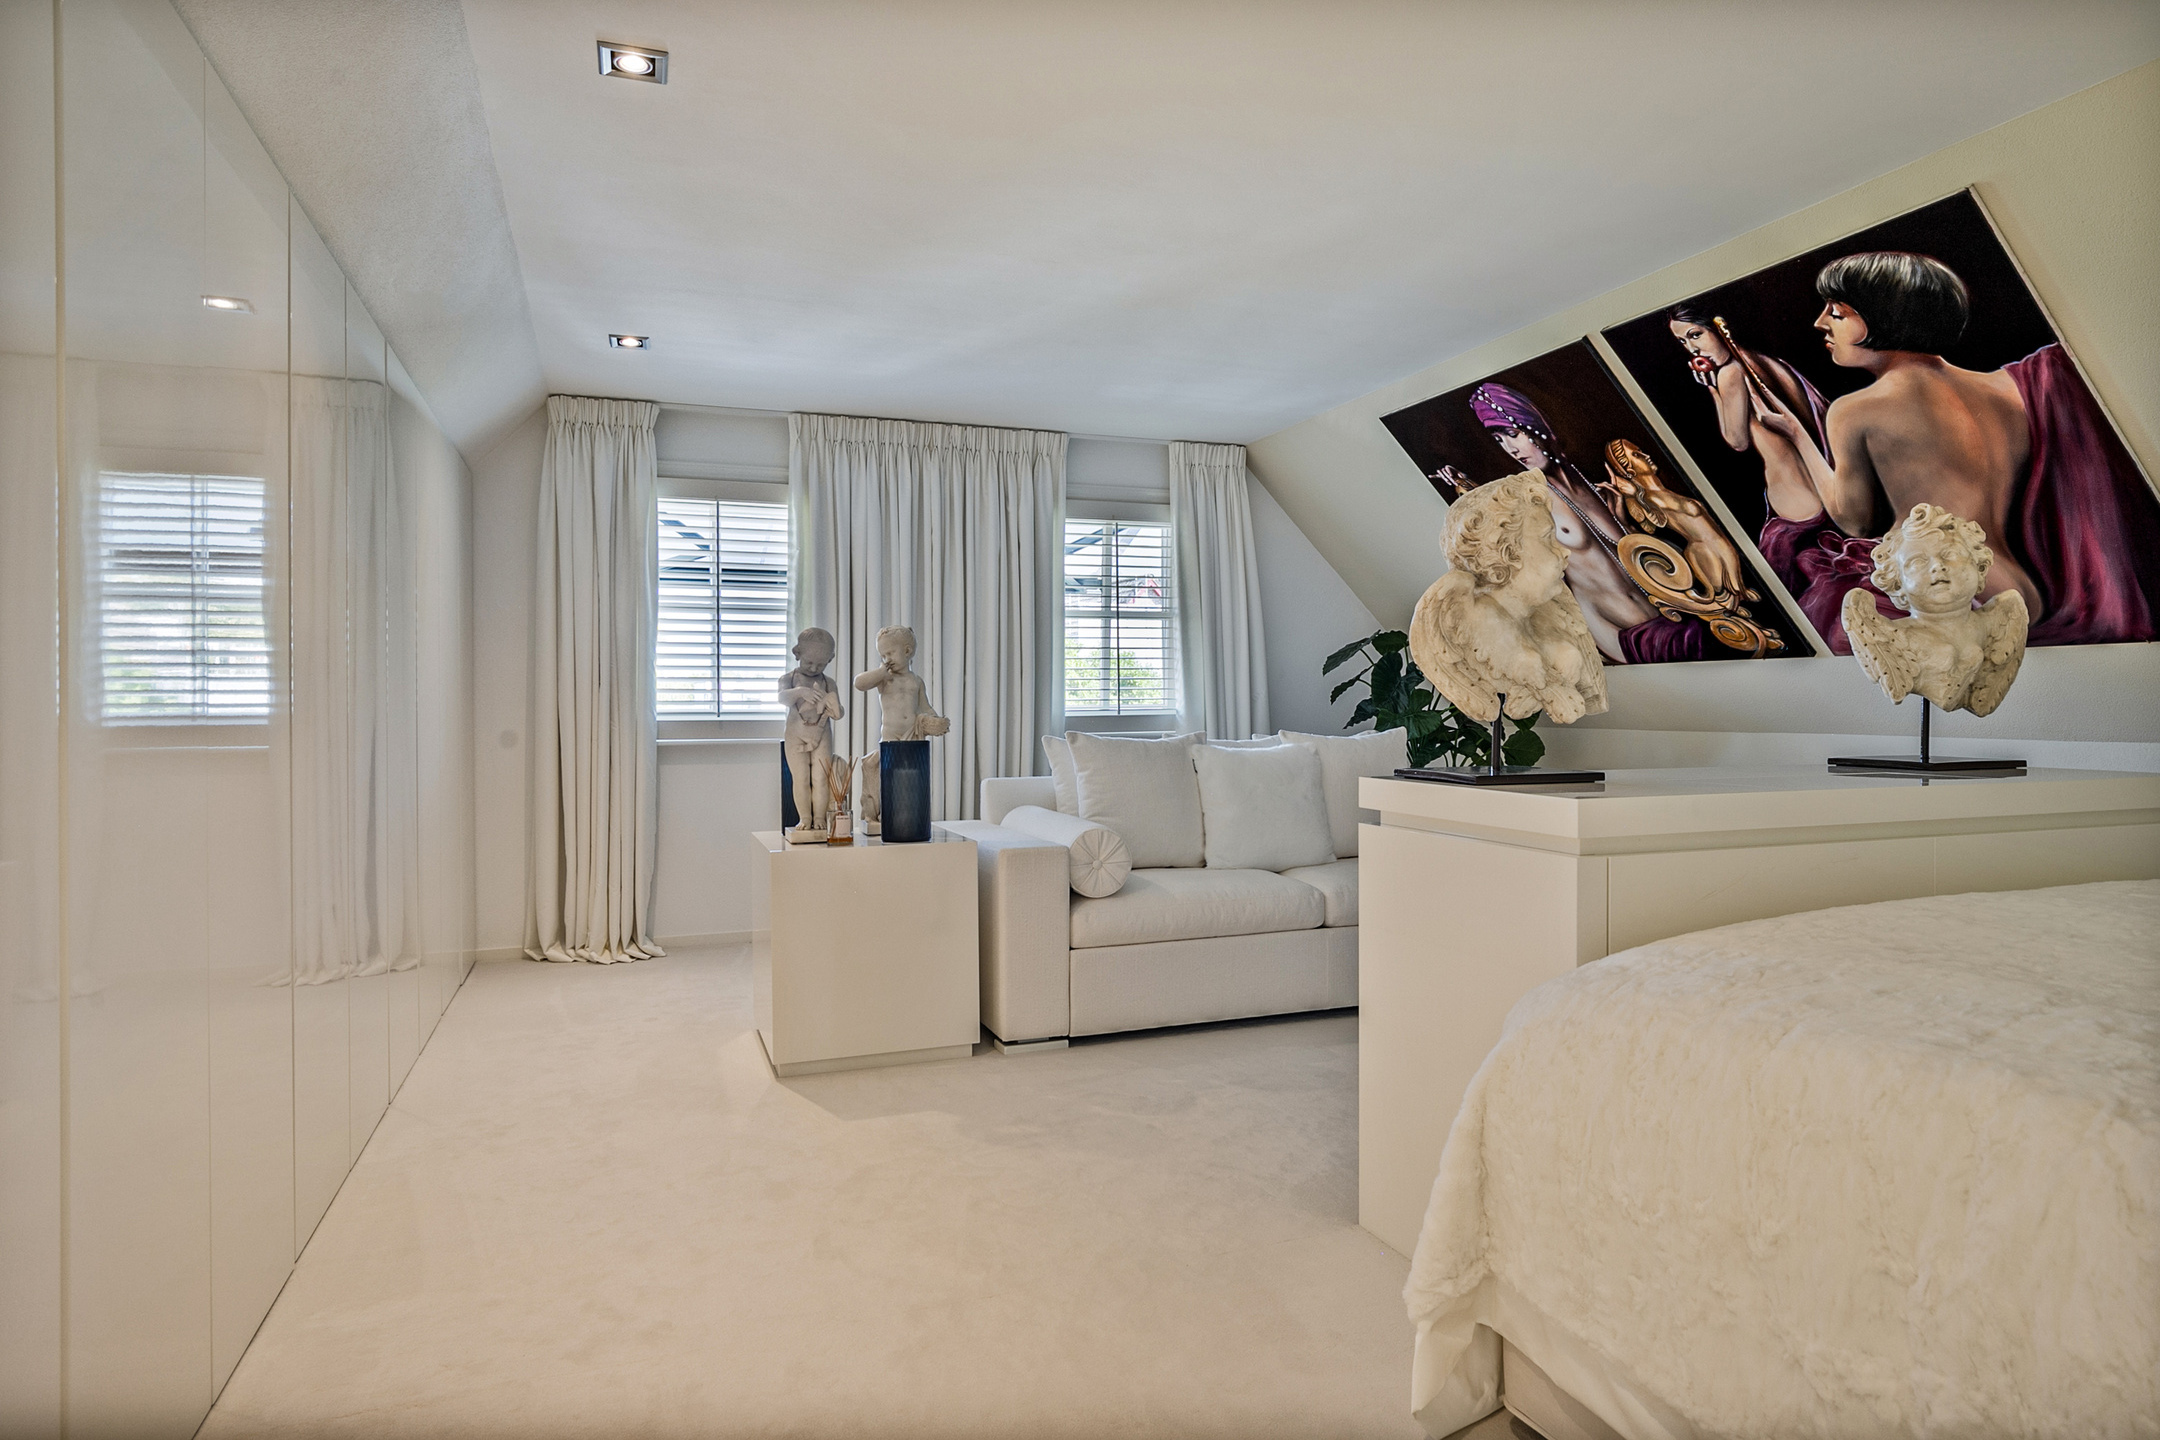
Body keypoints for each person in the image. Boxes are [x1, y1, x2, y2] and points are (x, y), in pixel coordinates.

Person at [1757, 250, 2160, 646]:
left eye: (1838, 313)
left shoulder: (1854, 410)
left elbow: (1855, 521)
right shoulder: (2010, 388)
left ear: (1883, 316)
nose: (1820, 322)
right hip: (2017, 590)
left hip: (1939, 592)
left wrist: (1798, 437)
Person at [1467, 382, 1705, 663]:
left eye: (1512, 434)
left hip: (1674, 618)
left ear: (1533, 425)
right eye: (1499, 440)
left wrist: (1623, 521)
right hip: (1625, 640)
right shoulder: (1531, 504)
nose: (1510, 449)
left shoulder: (1591, 485)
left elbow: (1629, 559)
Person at [852, 625, 948, 835]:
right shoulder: (885, 678)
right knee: (889, 777)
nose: (887, 659)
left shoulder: (916, 681)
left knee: (909, 778)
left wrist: (936, 720)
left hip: (912, 735)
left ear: (907, 651)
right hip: (891, 736)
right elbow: (859, 683)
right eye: (882, 655)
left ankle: (906, 813)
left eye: (890, 653)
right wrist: (879, 672)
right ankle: (886, 812)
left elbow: (924, 706)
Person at [777, 627, 842, 837]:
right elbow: (781, 697)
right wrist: (800, 692)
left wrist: (833, 704)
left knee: (821, 778)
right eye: (809, 662)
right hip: (795, 734)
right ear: (797, 653)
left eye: (821, 664)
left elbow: (838, 713)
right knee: (801, 778)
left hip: (821, 734)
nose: (814, 668)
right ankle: (805, 817)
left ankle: (820, 818)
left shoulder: (828, 682)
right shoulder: (789, 678)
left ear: (830, 659)